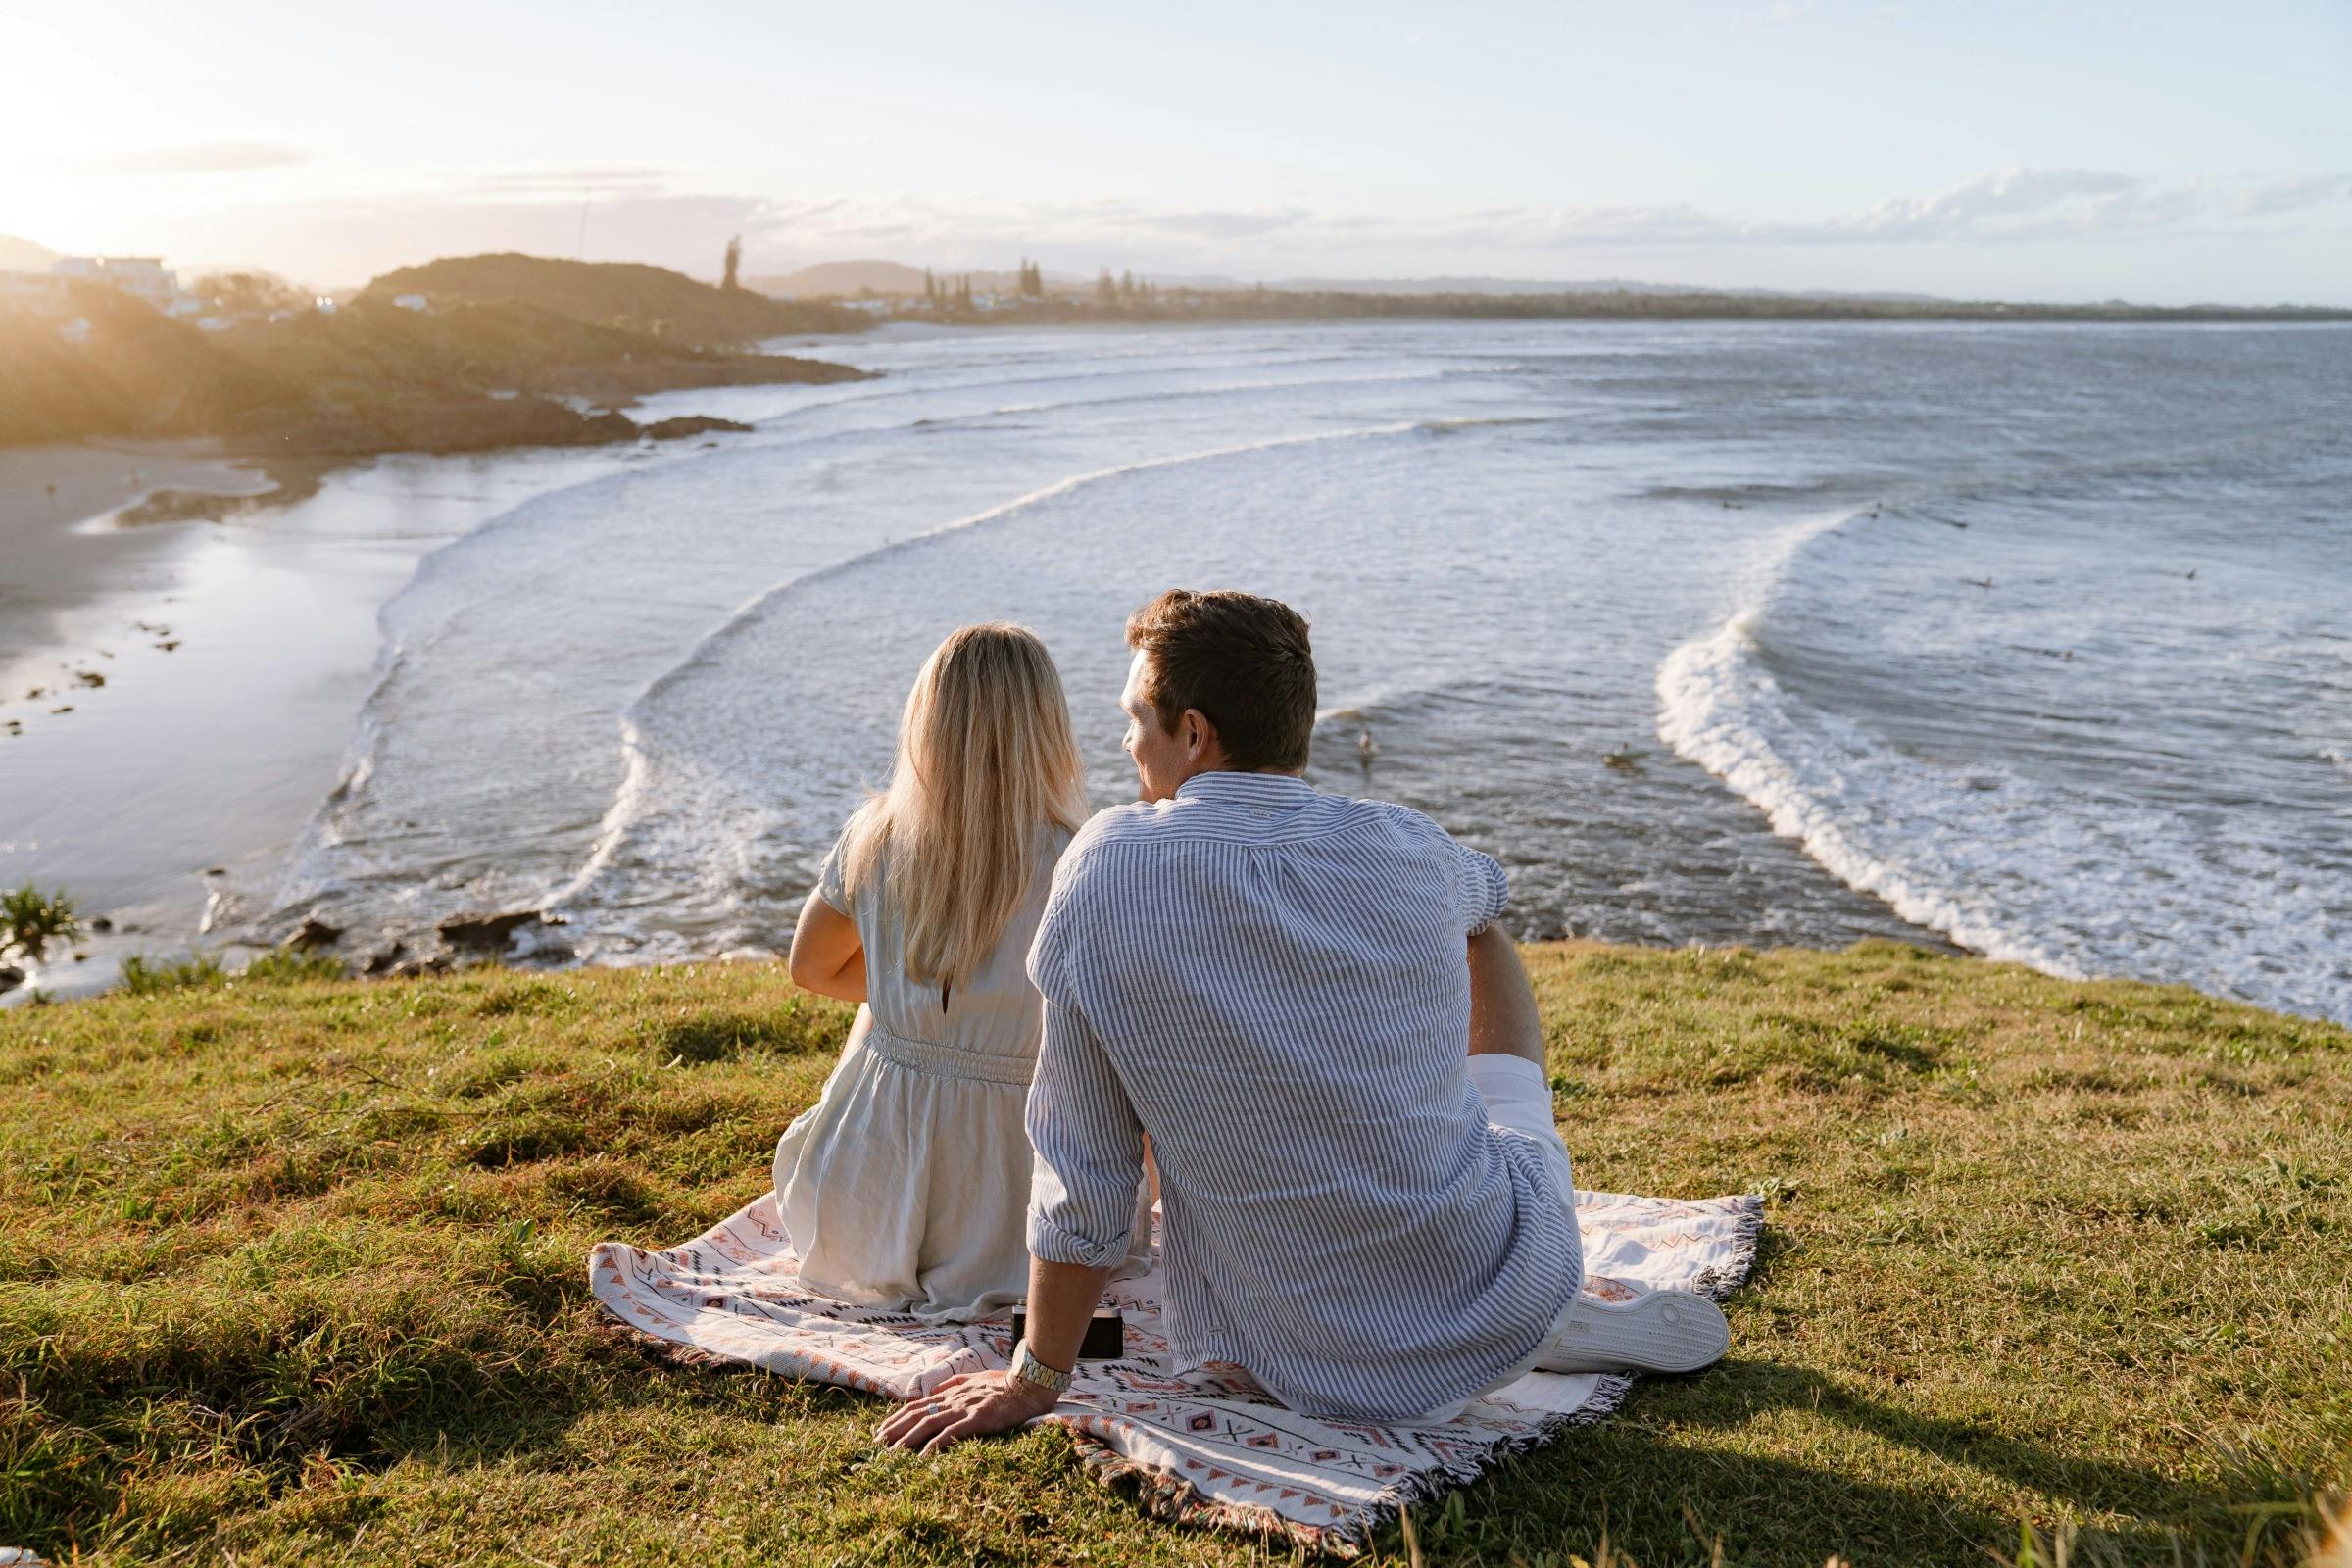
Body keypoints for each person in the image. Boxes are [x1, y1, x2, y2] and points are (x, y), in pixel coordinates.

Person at [880, 589, 1728, 1450]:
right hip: (1500, 1267)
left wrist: (1037, 1376)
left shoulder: (1102, 869)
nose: (1128, 741)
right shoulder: (1409, 844)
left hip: (1291, 1346)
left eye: (1137, 718)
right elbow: (1490, 894)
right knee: (1480, 941)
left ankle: (1495, 1328)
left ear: (1195, 734)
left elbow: (1086, 1170)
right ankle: (1528, 1322)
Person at [780, 622, 1142, 1320]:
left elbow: (811, 968)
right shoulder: (1083, 858)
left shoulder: (876, 835)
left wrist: (905, 998)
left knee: (879, 1015)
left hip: (858, 1198)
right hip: (1014, 1205)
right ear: (1048, 727)